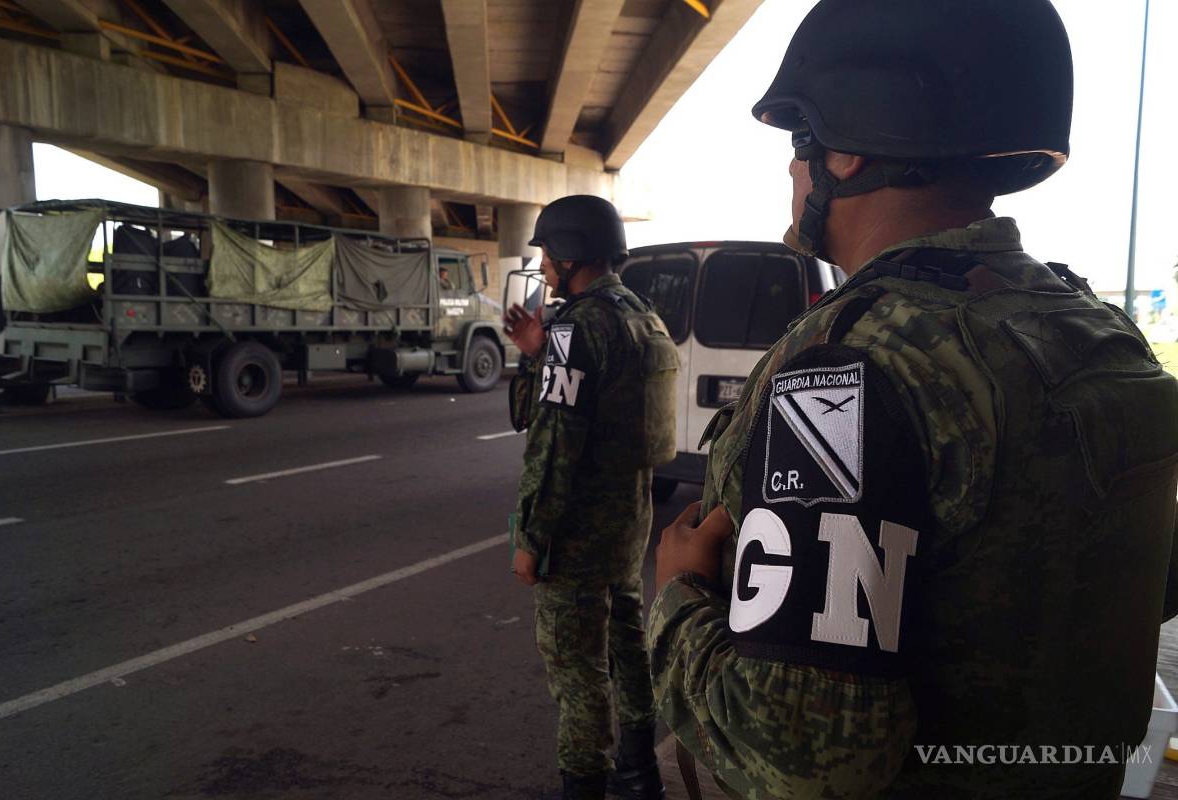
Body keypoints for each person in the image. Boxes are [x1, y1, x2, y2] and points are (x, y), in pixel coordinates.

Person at [647, 1, 1178, 798]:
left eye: (800, 140)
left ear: (848, 151)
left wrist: (679, 598)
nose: (792, 171)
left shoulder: (855, 363)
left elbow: (805, 763)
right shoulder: (1098, 333)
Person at [504, 194, 678, 800]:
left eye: (547, 253)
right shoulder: (641, 316)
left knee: (576, 668)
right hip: (628, 519)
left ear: (571, 253)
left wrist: (531, 538)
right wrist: (537, 354)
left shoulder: (575, 329)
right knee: (628, 644)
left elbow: (553, 444)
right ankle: (640, 774)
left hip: (577, 530)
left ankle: (585, 784)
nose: (543, 265)